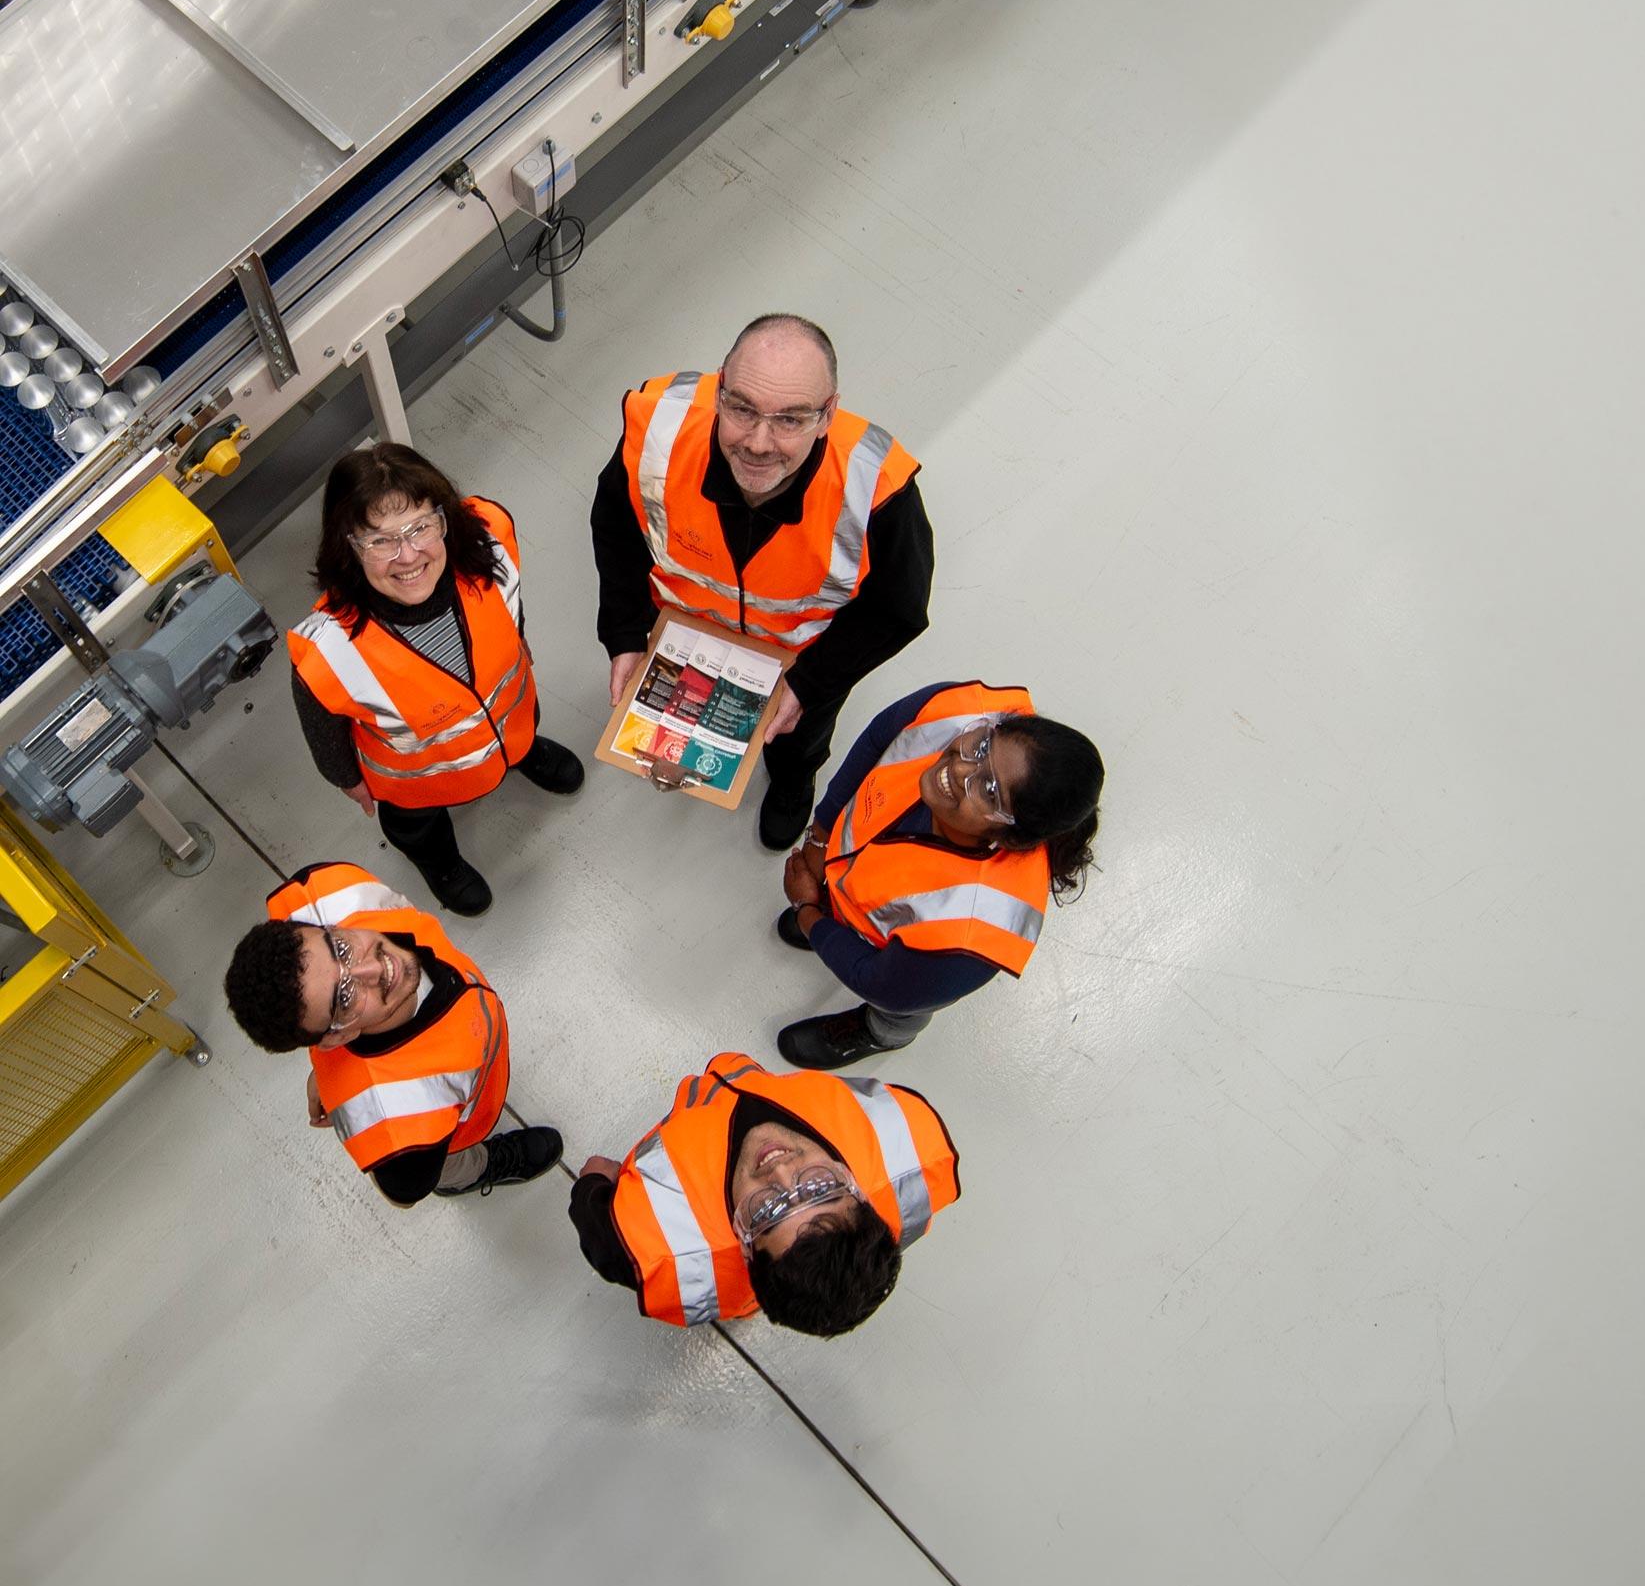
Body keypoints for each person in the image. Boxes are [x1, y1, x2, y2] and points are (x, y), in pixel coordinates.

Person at [590, 313, 933, 851]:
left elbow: (899, 608)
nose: (758, 442)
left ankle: (793, 786)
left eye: (791, 419)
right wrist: (627, 632)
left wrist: (811, 682)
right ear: (719, 387)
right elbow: (616, 525)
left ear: (829, 415)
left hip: (802, 659)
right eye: (742, 408)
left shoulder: (875, 486)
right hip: (686, 637)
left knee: (798, 742)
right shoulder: (660, 427)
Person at [287, 443, 584, 916]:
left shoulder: (492, 540)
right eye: (380, 540)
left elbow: (512, 608)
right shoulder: (328, 649)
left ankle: (525, 752)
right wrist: (345, 778)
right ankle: (441, 863)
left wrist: (519, 645)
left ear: (443, 517)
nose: (408, 556)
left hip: (511, 720)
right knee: (417, 827)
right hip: (417, 788)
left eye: (421, 526)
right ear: (348, 545)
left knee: (521, 731)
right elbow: (321, 726)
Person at [774, 680, 1103, 1069]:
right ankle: (840, 920)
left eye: (990, 790)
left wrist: (809, 911)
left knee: (895, 1013)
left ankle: (879, 1035)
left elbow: (883, 984)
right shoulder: (962, 711)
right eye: (982, 746)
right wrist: (820, 837)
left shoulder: (968, 939)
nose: (959, 769)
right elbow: (881, 735)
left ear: (1011, 840)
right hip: (849, 878)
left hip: (901, 979)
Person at [220, 861, 563, 1203]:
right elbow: (404, 1192)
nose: (375, 967)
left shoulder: (331, 891)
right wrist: (331, 1075)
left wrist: (326, 1071)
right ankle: (473, 1170)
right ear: (336, 1039)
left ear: (319, 927)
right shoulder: (403, 1142)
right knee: (450, 1164)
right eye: (345, 996)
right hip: (446, 1138)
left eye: (341, 948)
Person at [569, 1051, 958, 1332]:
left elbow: (602, 1234)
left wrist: (596, 1183)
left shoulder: (651, 1245)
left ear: (745, 1247)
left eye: (768, 1211)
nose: (782, 1170)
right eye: (821, 1187)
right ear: (856, 1190)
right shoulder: (902, 1134)